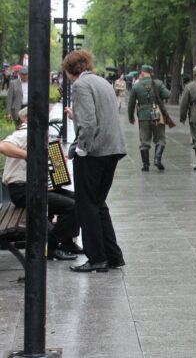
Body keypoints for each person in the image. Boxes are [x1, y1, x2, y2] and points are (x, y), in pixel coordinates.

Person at [62, 49, 127, 273]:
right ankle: (113, 255)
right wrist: (76, 115)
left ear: (70, 70)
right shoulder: (102, 82)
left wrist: (81, 148)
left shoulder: (80, 85)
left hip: (94, 152)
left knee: (87, 205)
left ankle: (97, 257)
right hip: (112, 149)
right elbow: (99, 115)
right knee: (99, 203)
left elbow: (89, 122)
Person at [0, 108, 81, 260]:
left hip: (34, 187)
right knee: (73, 207)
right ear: (26, 119)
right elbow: (3, 146)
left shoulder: (35, 133)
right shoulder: (25, 133)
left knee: (78, 200)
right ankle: (52, 246)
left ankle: (67, 242)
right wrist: (31, 156)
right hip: (22, 190)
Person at [128, 65, 171, 172]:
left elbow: (131, 104)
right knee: (160, 138)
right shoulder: (158, 84)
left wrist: (131, 117)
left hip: (143, 115)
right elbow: (167, 95)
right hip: (157, 113)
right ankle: (157, 159)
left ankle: (145, 165)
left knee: (144, 140)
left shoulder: (136, 86)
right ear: (151, 74)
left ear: (142, 73)